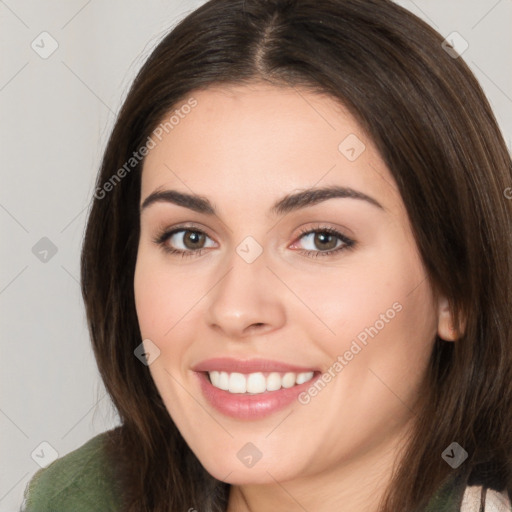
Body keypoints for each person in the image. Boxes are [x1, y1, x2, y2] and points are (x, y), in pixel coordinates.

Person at [21, 0, 512, 511]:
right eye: (190, 237)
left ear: (458, 289)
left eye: (322, 239)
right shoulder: (80, 499)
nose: (236, 309)